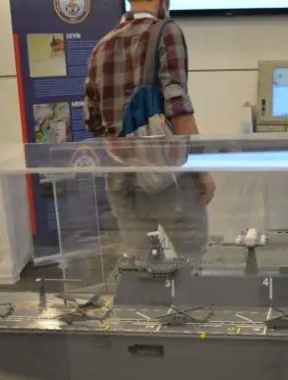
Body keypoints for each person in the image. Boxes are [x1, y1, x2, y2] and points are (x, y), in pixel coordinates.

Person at [84, 0, 215, 263]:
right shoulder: (166, 32)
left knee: (141, 268)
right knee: (193, 261)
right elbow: (178, 109)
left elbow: (93, 122)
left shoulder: (100, 47)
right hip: (168, 178)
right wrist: (202, 170)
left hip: (121, 180)